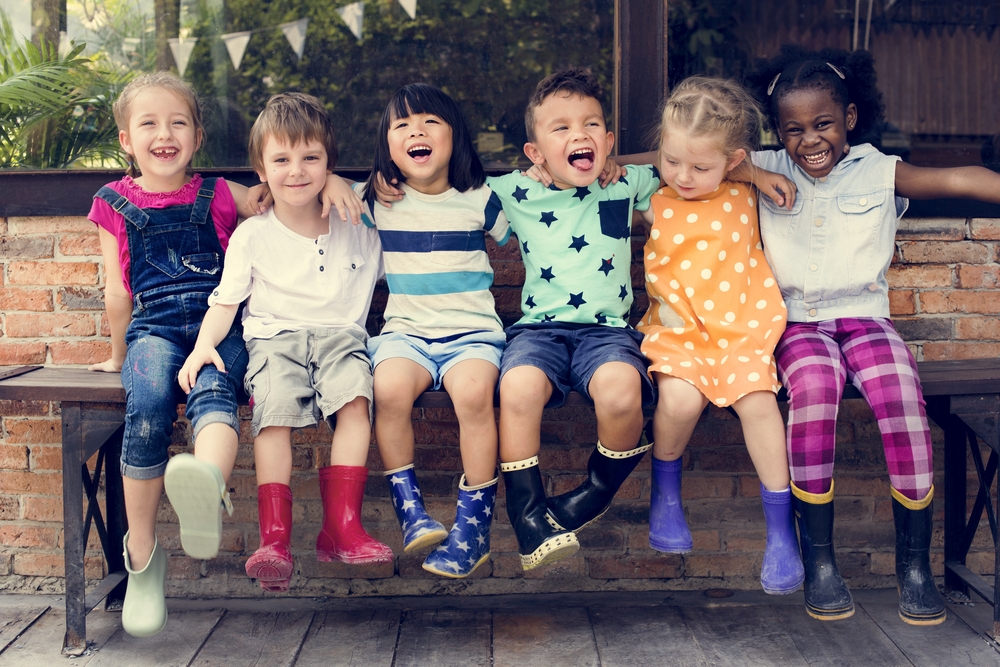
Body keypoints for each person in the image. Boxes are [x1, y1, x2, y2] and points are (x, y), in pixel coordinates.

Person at [745, 44, 1000, 624]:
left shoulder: (881, 169)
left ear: (850, 120)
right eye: (794, 129)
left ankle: (915, 568)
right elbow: (687, 155)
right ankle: (822, 563)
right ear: (778, 133)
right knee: (812, 391)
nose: (809, 140)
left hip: (866, 318)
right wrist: (751, 169)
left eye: (823, 124)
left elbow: (959, 176)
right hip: (796, 325)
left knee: (902, 399)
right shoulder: (767, 167)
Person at [178, 92, 391, 594]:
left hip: (342, 337)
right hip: (275, 340)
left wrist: (343, 184)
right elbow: (226, 301)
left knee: (357, 403)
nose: (296, 171)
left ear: (329, 163)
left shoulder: (360, 219)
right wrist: (203, 346)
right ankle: (274, 540)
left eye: (311, 158)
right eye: (282, 160)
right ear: (261, 169)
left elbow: (402, 183)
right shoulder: (253, 234)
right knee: (272, 417)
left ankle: (343, 526)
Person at [87, 72, 269, 637]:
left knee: (216, 391)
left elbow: (281, 197)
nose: (164, 134)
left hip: (219, 327)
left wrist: (333, 181)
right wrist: (119, 355)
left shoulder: (220, 194)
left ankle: (205, 486)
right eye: (149, 123)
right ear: (126, 140)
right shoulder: (112, 203)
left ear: (197, 136)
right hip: (155, 331)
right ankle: (142, 557)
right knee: (146, 409)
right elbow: (118, 290)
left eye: (178, 123)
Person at [630, 76, 805, 596]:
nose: (683, 175)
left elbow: (758, 169)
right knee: (679, 401)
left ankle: (780, 533)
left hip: (742, 333)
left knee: (759, 404)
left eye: (700, 166)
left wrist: (754, 172)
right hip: (679, 334)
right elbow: (613, 166)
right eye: (672, 160)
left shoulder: (746, 192)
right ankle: (665, 495)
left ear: (732, 161)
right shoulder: (650, 197)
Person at [357, 84, 511, 578]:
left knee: (472, 396)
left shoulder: (480, 198)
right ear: (387, 147)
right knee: (389, 389)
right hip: (406, 333)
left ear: (454, 138)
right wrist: (350, 184)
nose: (416, 131)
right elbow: (318, 191)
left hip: (472, 333)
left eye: (430, 122)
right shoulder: (378, 203)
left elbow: (527, 230)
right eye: (401, 125)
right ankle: (411, 512)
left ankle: (473, 530)